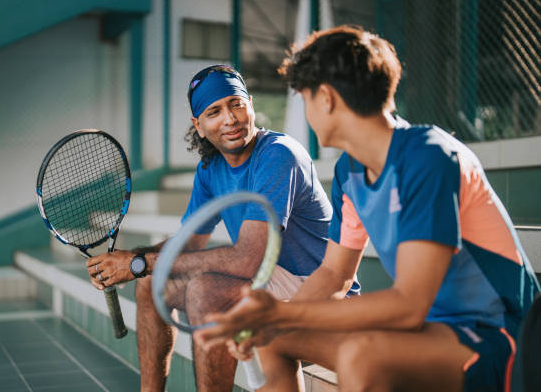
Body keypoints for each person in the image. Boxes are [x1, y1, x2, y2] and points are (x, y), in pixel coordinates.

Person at [195, 26, 541, 392]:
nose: (307, 111)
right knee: (273, 336)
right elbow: (334, 275)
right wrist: (270, 319)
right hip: (434, 330)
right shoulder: (351, 170)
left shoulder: (429, 157)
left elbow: (409, 304)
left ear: (325, 98)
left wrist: (280, 310)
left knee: (363, 355)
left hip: (500, 335)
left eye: (304, 98)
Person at [85, 64, 359, 392]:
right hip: (269, 275)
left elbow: (247, 259)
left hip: (317, 286)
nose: (230, 119)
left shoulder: (278, 155)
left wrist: (138, 262)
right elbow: (189, 244)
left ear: (251, 106)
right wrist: (131, 262)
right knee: (149, 285)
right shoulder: (211, 168)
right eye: (214, 111)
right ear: (198, 126)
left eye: (236, 104)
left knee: (205, 292)